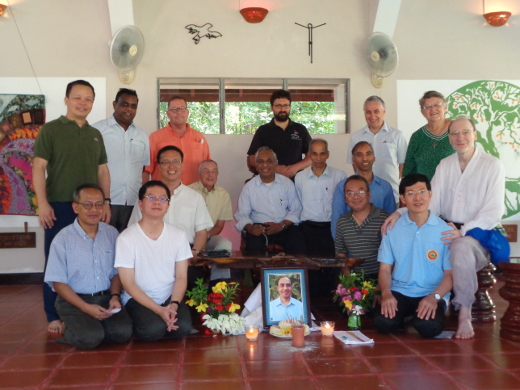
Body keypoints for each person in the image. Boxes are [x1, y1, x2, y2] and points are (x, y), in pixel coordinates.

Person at [384, 117, 506, 339]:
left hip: (478, 233)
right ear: (448, 138)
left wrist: (464, 230)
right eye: (455, 133)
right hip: (448, 228)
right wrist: (399, 212)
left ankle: (464, 312)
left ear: (475, 134)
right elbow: (432, 202)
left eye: (466, 132)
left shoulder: (492, 165)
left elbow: (493, 211)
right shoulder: (445, 164)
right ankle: (414, 302)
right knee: (420, 236)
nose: (460, 137)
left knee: (459, 247)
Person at [33, 80, 111, 334]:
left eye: (88, 99)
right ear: (66, 100)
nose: (83, 103)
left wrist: (105, 202)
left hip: (92, 208)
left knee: (91, 259)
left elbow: (103, 171)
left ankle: (85, 307)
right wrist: (42, 204)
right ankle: (53, 315)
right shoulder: (51, 130)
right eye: (77, 97)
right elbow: (38, 168)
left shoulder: (95, 134)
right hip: (59, 205)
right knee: (56, 262)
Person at [43, 184, 132, 349]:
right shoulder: (62, 239)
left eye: (99, 204)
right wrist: (85, 307)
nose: (94, 209)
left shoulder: (112, 234)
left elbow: (116, 272)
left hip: (105, 298)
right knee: (90, 338)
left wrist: (114, 297)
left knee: (123, 333)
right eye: (88, 204)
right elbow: (58, 283)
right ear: (76, 207)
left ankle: (92, 324)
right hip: (75, 300)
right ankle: (68, 327)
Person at [374, 174, 452, 338]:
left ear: (430, 194)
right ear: (402, 198)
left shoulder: (445, 231)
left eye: (422, 192)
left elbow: (450, 275)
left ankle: (422, 315)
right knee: (384, 324)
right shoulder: (392, 228)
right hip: (400, 290)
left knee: (428, 327)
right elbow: (385, 269)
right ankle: (407, 316)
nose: (418, 198)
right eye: (410, 193)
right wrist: (386, 293)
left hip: (431, 292)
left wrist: (435, 297)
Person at [116, 181, 193, 341]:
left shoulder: (178, 235)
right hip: (139, 298)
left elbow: (181, 277)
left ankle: (166, 315)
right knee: (152, 330)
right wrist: (159, 310)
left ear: (168, 205)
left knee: (183, 328)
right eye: (151, 197)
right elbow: (128, 284)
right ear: (140, 204)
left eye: (163, 199)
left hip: (168, 296)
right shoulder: (126, 238)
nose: (157, 202)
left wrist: (173, 305)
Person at [128, 146, 213, 258]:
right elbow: (134, 229)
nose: (171, 166)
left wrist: (193, 254)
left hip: (187, 253)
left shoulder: (195, 197)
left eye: (176, 161)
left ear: (182, 165)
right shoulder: (146, 195)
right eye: (166, 162)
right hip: (152, 252)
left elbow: (202, 233)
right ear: (159, 166)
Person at [92, 88, 150, 232]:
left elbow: (144, 171)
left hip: (134, 202)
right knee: (104, 245)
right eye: (124, 104)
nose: (129, 109)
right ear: (114, 104)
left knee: (131, 248)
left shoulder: (142, 136)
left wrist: (143, 202)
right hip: (105, 202)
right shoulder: (97, 130)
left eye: (133, 106)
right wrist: (99, 201)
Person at [295, 139, 346, 296]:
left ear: (328, 155)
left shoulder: (339, 176)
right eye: (314, 154)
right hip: (307, 230)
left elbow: (343, 204)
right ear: (309, 155)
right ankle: (313, 306)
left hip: (330, 229)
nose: (318, 158)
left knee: (332, 268)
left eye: (322, 153)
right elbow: (297, 204)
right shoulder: (300, 177)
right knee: (311, 270)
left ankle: (329, 306)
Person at [235, 147, 305, 254]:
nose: (265, 165)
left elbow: (296, 210)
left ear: (276, 163)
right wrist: (250, 228)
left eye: (269, 161)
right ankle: (258, 271)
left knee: (297, 243)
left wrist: (281, 225)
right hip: (260, 229)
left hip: (284, 227)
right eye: (260, 161)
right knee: (253, 248)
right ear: (256, 165)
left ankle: (294, 271)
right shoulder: (249, 187)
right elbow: (241, 214)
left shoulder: (286, 183)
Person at [347, 96, 407, 203]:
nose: (372, 116)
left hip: (391, 195)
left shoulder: (397, 135)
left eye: (376, 111)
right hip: (364, 197)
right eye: (368, 112)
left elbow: (403, 165)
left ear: (384, 112)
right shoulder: (355, 137)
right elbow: (355, 164)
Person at [331, 141, 395, 239]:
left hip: (380, 245)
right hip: (351, 244)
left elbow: (391, 219)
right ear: (353, 160)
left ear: (374, 157)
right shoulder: (343, 186)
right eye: (359, 155)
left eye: (368, 154)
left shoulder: (385, 186)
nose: (364, 158)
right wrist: (340, 249)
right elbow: (337, 218)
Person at [144, 96, 210, 185]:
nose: (179, 112)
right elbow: (146, 170)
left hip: (194, 193)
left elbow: (207, 168)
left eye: (182, 109)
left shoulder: (199, 137)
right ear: (168, 114)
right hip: (164, 194)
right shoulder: (155, 137)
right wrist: (145, 193)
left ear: (187, 112)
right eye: (174, 109)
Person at [247, 90, 312, 179]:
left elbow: (312, 156)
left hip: (296, 181)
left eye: (285, 105)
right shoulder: (263, 130)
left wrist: (295, 168)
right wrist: (275, 168)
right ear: (272, 108)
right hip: (270, 179)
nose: (282, 109)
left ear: (289, 107)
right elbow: (252, 159)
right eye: (278, 106)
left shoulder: (300, 129)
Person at [335, 176, 389, 279]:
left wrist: (381, 286)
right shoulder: (342, 222)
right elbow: (340, 253)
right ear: (345, 198)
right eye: (350, 193)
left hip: (380, 278)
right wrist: (350, 282)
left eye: (360, 192)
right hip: (354, 277)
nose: (355, 197)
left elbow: (392, 254)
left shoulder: (384, 219)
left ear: (369, 194)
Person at [189, 159, 234, 280]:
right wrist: (198, 239)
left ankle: (218, 286)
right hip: (189, 237)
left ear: (217, 174)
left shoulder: (223, 194)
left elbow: (219, 226)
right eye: (206, 171)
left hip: (209, 236)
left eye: (214, 171)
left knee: (224, 244)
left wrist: (205, 237)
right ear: (199, 174)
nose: (211, 174)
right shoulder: (189, 191)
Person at [402, 90, 455, 180]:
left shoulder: (457, 130)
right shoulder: (417, 137)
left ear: (445, 107)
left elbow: (471, 160)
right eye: (428, 106)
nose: (433, 109)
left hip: (454, 190)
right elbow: (408, 171)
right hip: (425, 192)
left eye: (437, 104)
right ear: (422, 112)